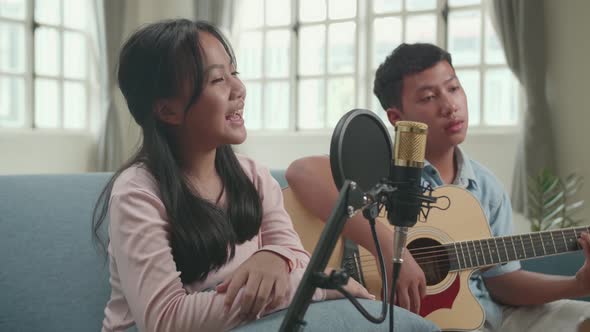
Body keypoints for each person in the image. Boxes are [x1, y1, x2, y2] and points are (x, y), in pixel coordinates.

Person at [91, 19, 438, 332]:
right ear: (167, 109)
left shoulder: (252, 176)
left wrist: (272, 257)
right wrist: (321, 284)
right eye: (216, 79)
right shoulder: (138, 192)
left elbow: (296, 257)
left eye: (234, 73)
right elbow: (166, 319)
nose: (238, 89)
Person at [285, 43, 590, 331]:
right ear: (396, 117)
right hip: (383, 314)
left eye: (454, 88)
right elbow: (302, 171)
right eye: (429, 97)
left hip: (478, 315)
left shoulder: (484, 187)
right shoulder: (378, 168)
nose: (450, 105)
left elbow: (502, 281)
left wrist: (576, 285)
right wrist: (389, 248)